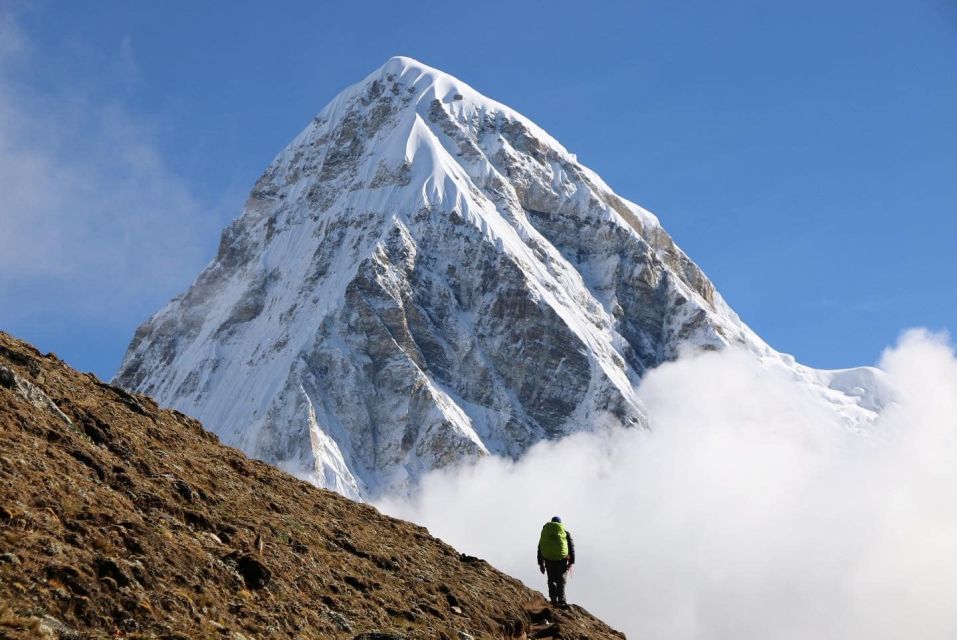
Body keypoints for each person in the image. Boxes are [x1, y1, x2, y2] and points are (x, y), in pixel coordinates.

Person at [537, 516, 575, 606]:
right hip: (562, 559)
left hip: (548, 559)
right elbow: (571, 548)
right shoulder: (565, 533)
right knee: (561, 580)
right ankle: (561, 600)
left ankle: (553, 599)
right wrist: (571, 562)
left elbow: (540, 548)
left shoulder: (546, 534)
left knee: (551, 579)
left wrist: (541, 564)